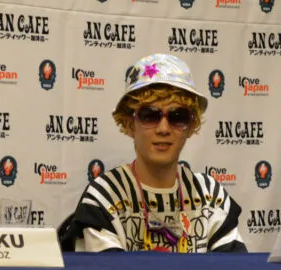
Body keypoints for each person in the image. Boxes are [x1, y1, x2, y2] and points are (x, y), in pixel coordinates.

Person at [65, 53, 247, 252]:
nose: (163, 129)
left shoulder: (211, 196)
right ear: (129, 124)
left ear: (191, 125)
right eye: (149, 115)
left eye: (177, 116)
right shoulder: (105, 196)